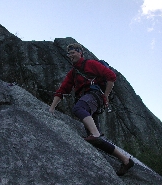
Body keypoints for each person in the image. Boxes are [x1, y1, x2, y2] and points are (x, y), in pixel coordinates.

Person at [49, 43, 134, 176]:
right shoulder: (73, 73)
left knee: (79, 109)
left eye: (73, 53)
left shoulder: (91, 64)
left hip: (94, 97)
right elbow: (62, 90)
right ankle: (125, 160)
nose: (70, 56)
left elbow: (111, 76)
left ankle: (95, 134)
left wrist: (105, 96)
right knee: (97, 142)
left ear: (80, 52)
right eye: (69, 54)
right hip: (88, 101)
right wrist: (52, 108)